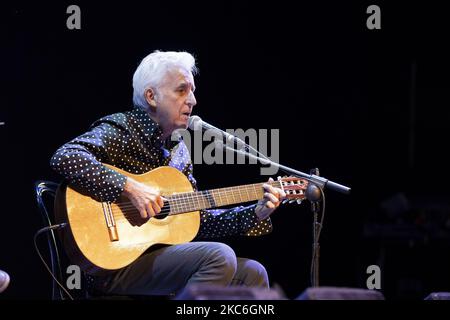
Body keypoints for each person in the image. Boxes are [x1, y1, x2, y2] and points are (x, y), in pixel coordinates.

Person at [50, 50, 286, 297]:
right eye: (182, 90)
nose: (193, 100)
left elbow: (199, 221)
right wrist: (130, 187)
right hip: (112, 264)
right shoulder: (122, 129)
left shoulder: (178, 151)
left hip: (158, 259)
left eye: (193, 91)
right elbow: (66, 156)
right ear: (151, 96)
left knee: (253, 273)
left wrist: (256, 213)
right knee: (220, 256)